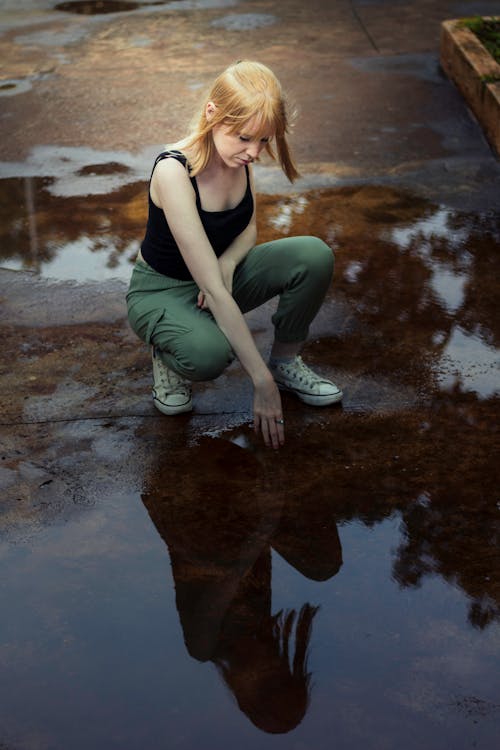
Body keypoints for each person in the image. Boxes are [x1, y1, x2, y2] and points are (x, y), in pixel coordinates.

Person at [126, 60, 342, 449]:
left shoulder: (238, 158)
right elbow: (211, 285)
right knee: (209, 356)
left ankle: (286, 362)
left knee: (313, 255)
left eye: (263, 141)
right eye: (245, 138)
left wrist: (228, 262)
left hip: (216, 279)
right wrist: (259, 383)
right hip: (163, 292)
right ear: (212, 112)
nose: (255, 152)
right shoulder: (174, 171)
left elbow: (247, 230)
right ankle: (168, 352)